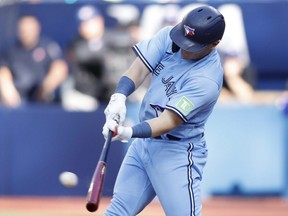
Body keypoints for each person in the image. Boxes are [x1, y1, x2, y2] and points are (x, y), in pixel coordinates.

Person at [102, 5, 225, 216]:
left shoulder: (207, 78)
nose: (185, 48)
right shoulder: (170, 35)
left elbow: (169, 120)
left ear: (215, 44)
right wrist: (119, 96)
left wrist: (128, 132)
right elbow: (140, 68)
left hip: (176, 152)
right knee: (118, 212)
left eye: (193, 46)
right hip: (143, 145)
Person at [0, 15, 68, 108]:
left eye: (29, 29)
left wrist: (47, 86)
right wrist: (8, 91)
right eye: (23, 30)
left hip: (43, 97)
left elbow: (60, 67)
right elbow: (3, 73)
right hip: (18, 99)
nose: (26, 33)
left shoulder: (48, 47)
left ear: (37, 29)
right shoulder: (11, 51)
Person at [62, 5, 109, 111]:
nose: (85, 27)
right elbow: (84, 57)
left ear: (100, 21)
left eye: (90, 22)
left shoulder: (113, 39)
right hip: (86, 94)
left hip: (112, 94)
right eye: (82, 23)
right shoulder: (76, 44)